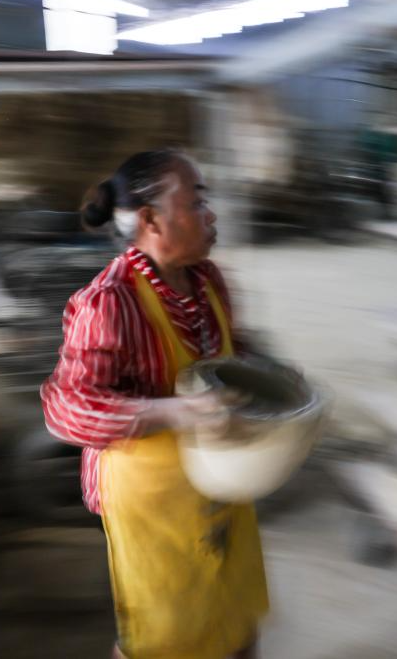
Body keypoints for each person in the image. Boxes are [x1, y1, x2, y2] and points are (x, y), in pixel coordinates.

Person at [40, 149, 269, 659]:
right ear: (150, 220)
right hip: (152, 500)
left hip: (221, 477)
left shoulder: (210, 280)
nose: (211, 215)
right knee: (163, 635)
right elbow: (65, 409)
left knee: (236, 617)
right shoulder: (109, 301)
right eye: (197, 202)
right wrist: (171, 411)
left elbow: (231, 350)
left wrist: (264, 374)